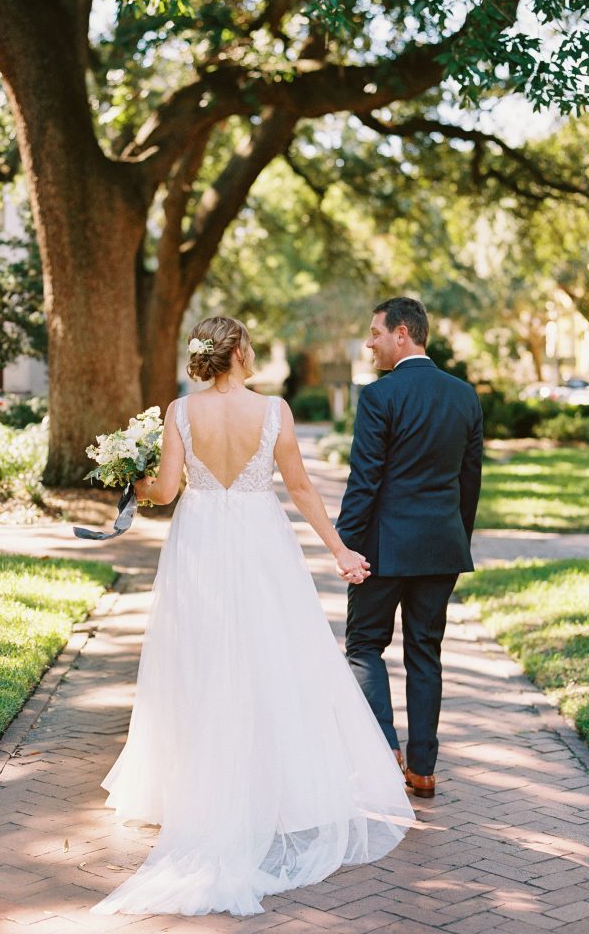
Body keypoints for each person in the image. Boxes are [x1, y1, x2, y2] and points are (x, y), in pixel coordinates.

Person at [91, 316, 414, 918]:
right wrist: (340, 551)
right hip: (261, 540)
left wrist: (133, 479)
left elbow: (165, 491)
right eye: (250, 343)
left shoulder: (180, 412)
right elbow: (301, 488)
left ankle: (203, 787)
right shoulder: (274, 411)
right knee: (272, 654)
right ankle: (273, 786)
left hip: (199, 540)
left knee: (202, 657)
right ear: (238, 351)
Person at [336, 297, 483, 799]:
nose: (369, 343)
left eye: (375, 333)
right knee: (425, 652)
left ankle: (384, 753)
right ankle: (422, 770)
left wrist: (346, 546)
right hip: (441, 548)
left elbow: (364, 481)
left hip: (382, 549)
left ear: (402, 334)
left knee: (363, 646)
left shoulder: (380, 396)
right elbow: (469, 483)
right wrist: (455, 539)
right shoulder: (464, 396)